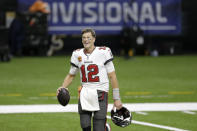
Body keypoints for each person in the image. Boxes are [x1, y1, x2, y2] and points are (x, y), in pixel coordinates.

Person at [57, 28, 123, 131]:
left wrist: (117, 98)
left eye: (88, 37)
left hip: (100, 93)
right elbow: (71, 75)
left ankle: (105, 128)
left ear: (94, 39)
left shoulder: (104, 52)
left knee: (98, 128)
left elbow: (112, 76)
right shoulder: (77, 54)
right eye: (84, 38)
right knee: (85, 126)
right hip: (84, 94)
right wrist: (63, 87)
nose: (86, 40)